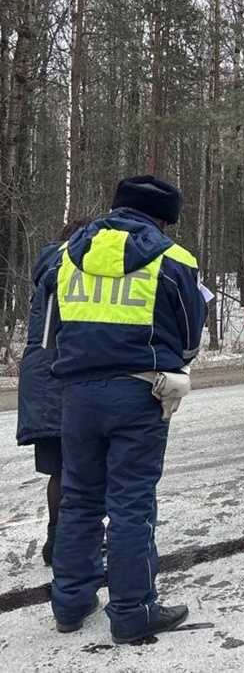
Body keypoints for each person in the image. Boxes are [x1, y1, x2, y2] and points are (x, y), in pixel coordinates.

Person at [43, 175, 209, 643]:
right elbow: (191, 339)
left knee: (78, 498)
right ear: (163, 219)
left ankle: (70, 603)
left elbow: (49, 322)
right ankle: (133, 612)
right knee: (132, 505)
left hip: (75, 393)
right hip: (139, 392)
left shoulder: (67, 254)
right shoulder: (173, 259)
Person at [15, 219, 89, 565]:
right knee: (79, 469)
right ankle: (70, 546)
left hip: (37, 374)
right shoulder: (73, 268)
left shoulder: (48, 264)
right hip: (61, 374)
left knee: (60, 470)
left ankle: (56, 540)